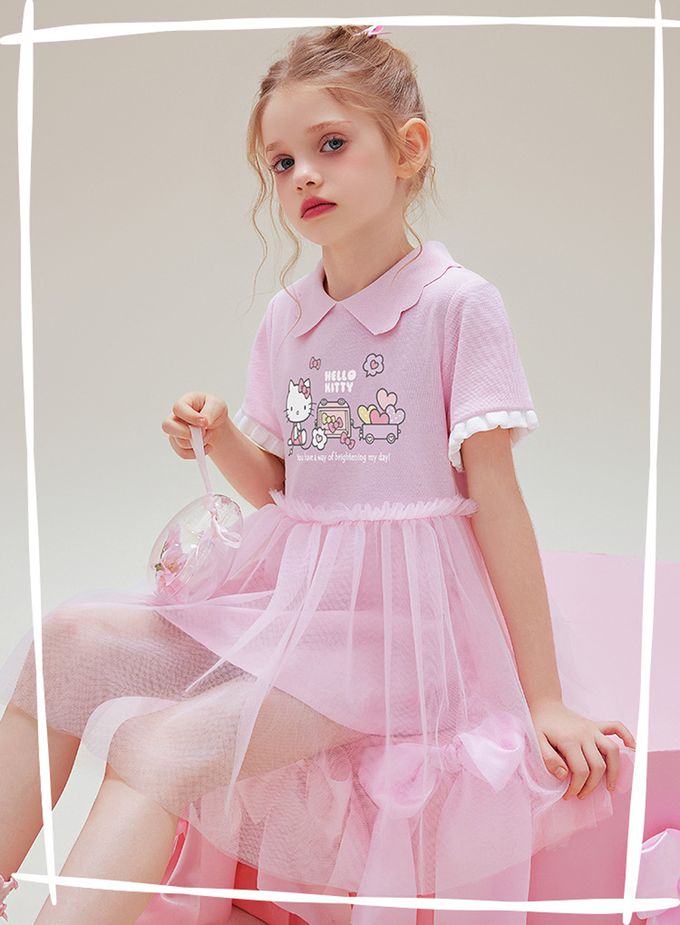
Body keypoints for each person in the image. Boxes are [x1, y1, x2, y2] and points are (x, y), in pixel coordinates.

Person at [0, 22, 636, 925]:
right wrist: (222, 434)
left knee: (161, 745)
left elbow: (497, 499)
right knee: (63, 640)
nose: (303, 175)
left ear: (408, 149)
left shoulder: (454, 306)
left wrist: (543, 698)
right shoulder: (290, 318)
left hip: (404, 641)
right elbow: (291, 491)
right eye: (282, 161)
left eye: (331, 145)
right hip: (299, 609)